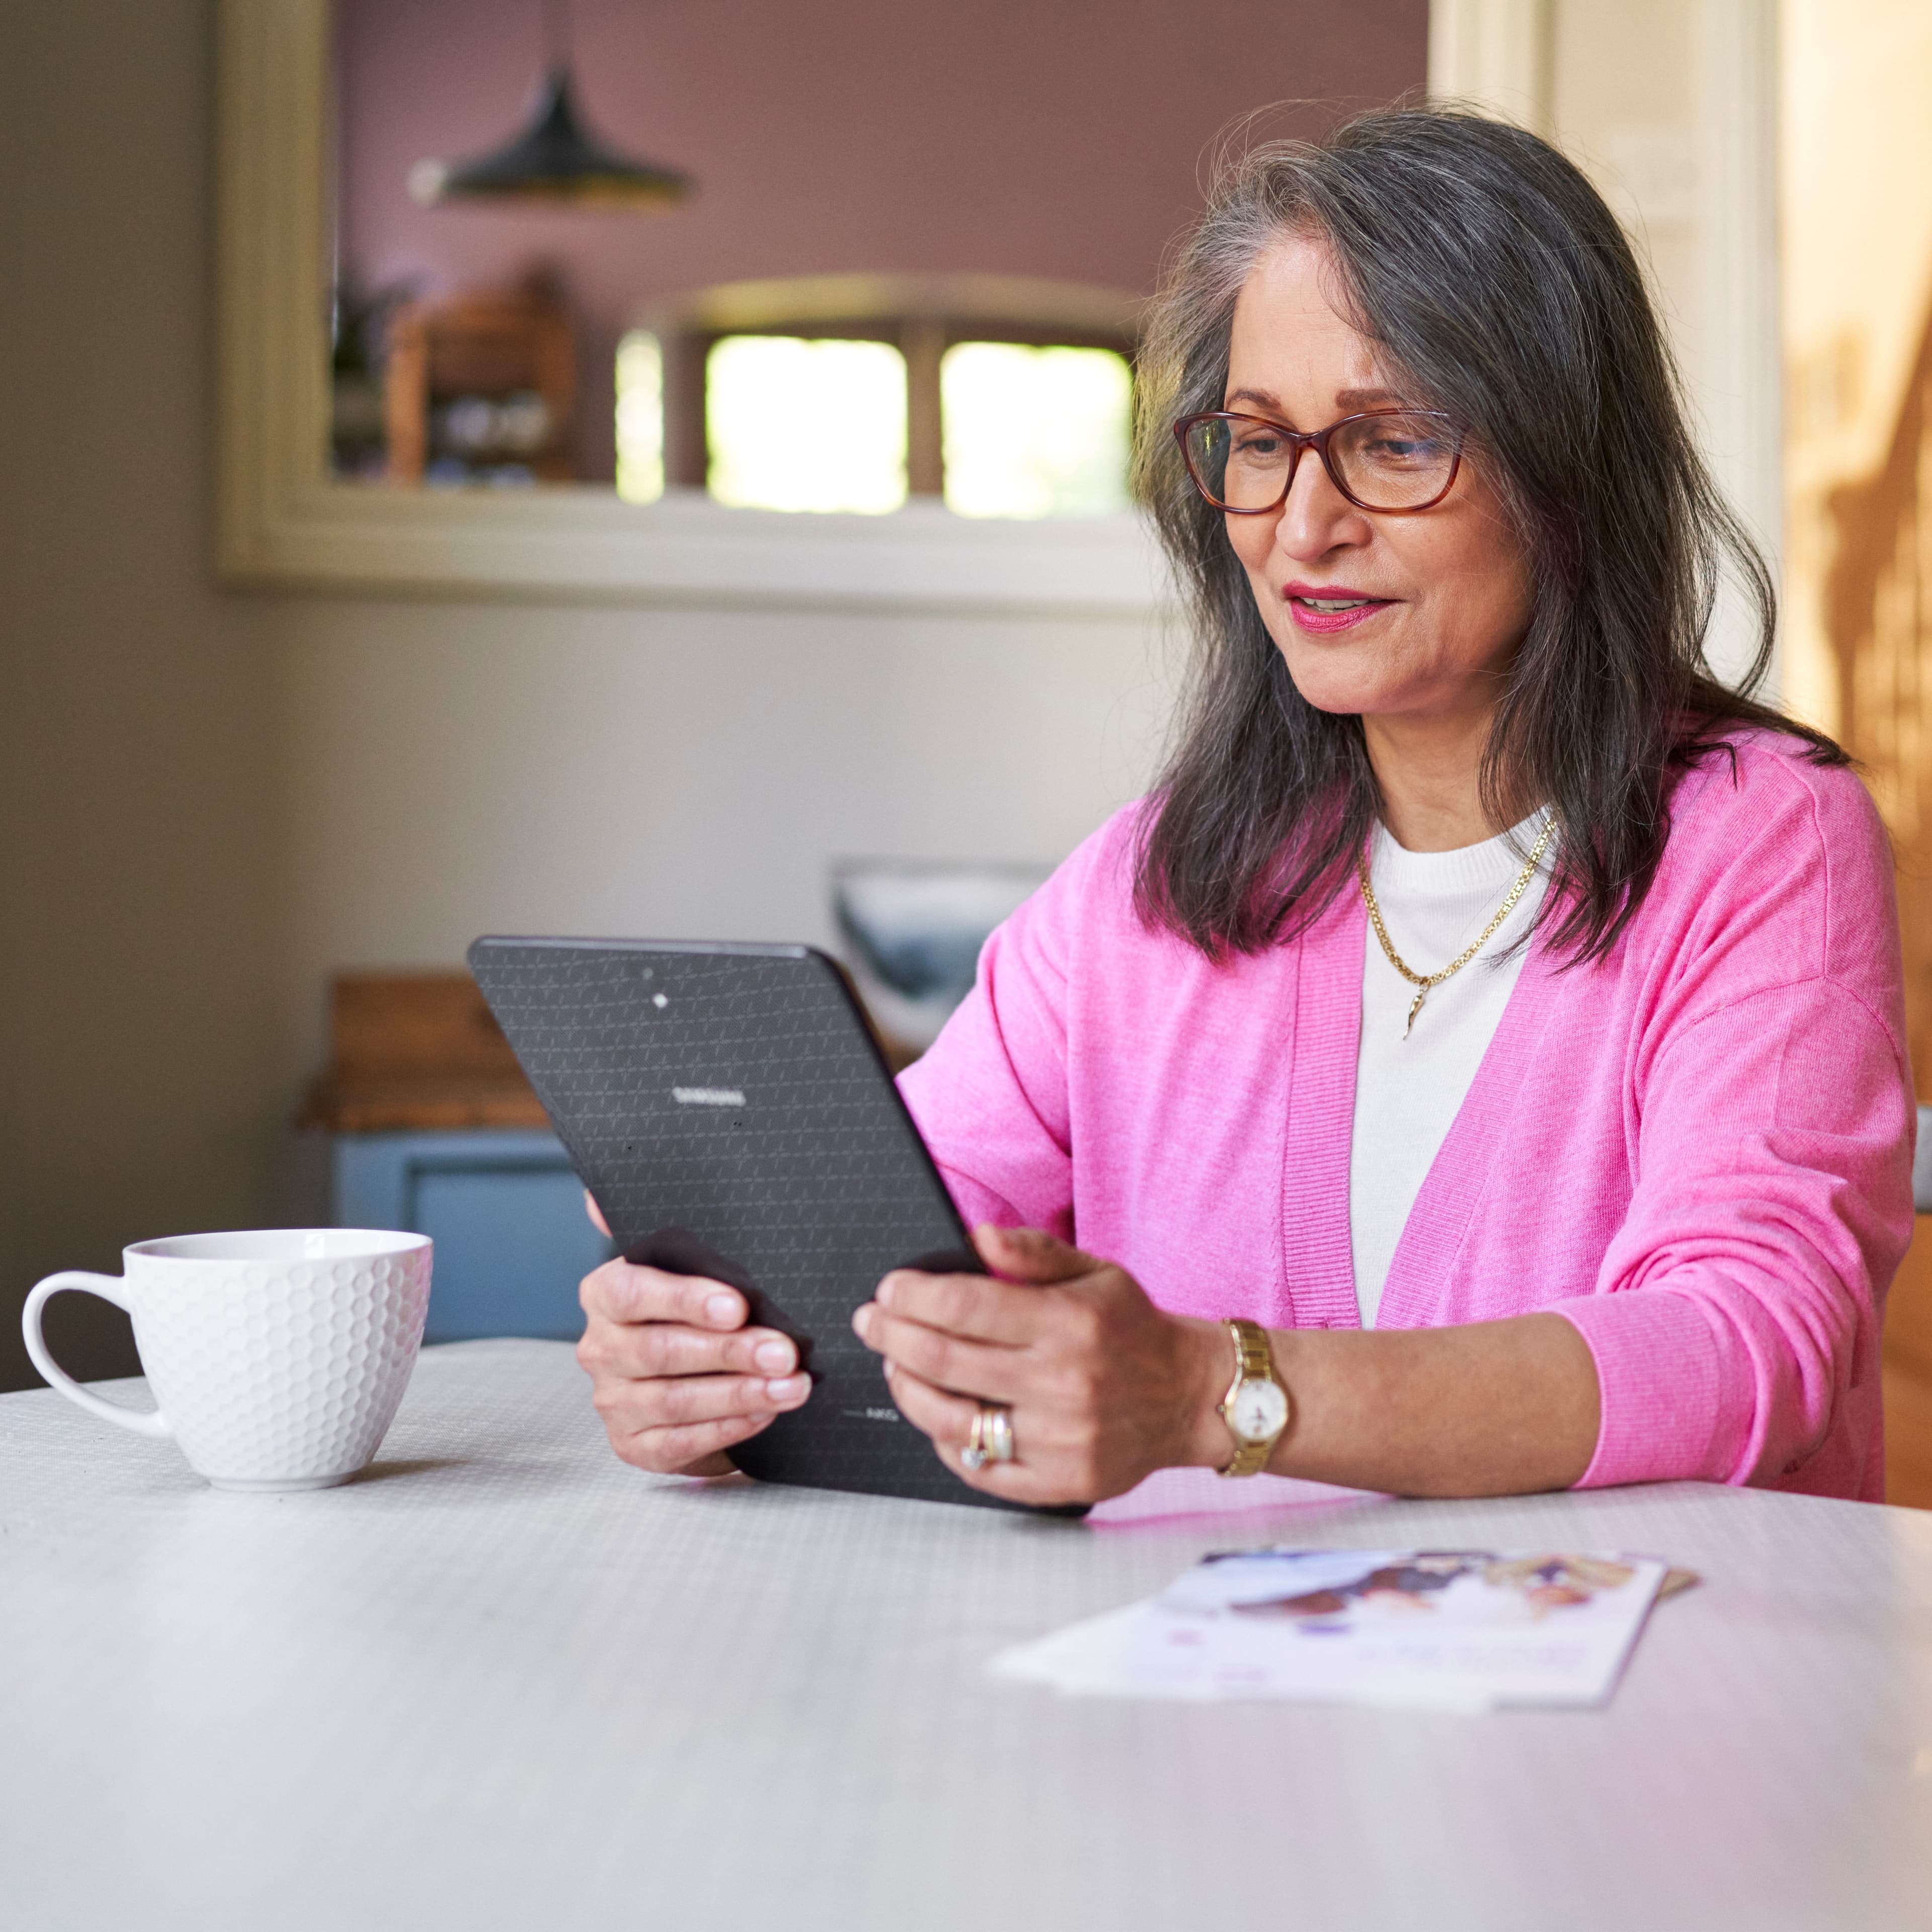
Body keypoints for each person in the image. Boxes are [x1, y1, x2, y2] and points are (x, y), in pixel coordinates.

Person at [575, 107, 1913, 1506]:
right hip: (1214, 1698)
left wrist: (1211, 1395)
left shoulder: (1763, 836)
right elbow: (889, 1256)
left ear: (1568, 468)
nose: (1302, 524)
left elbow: (1746, 1343)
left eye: (1395, 442)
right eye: (1259, 442)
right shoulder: (1147, 887)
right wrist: (716, 1354)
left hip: (1653, 1693)